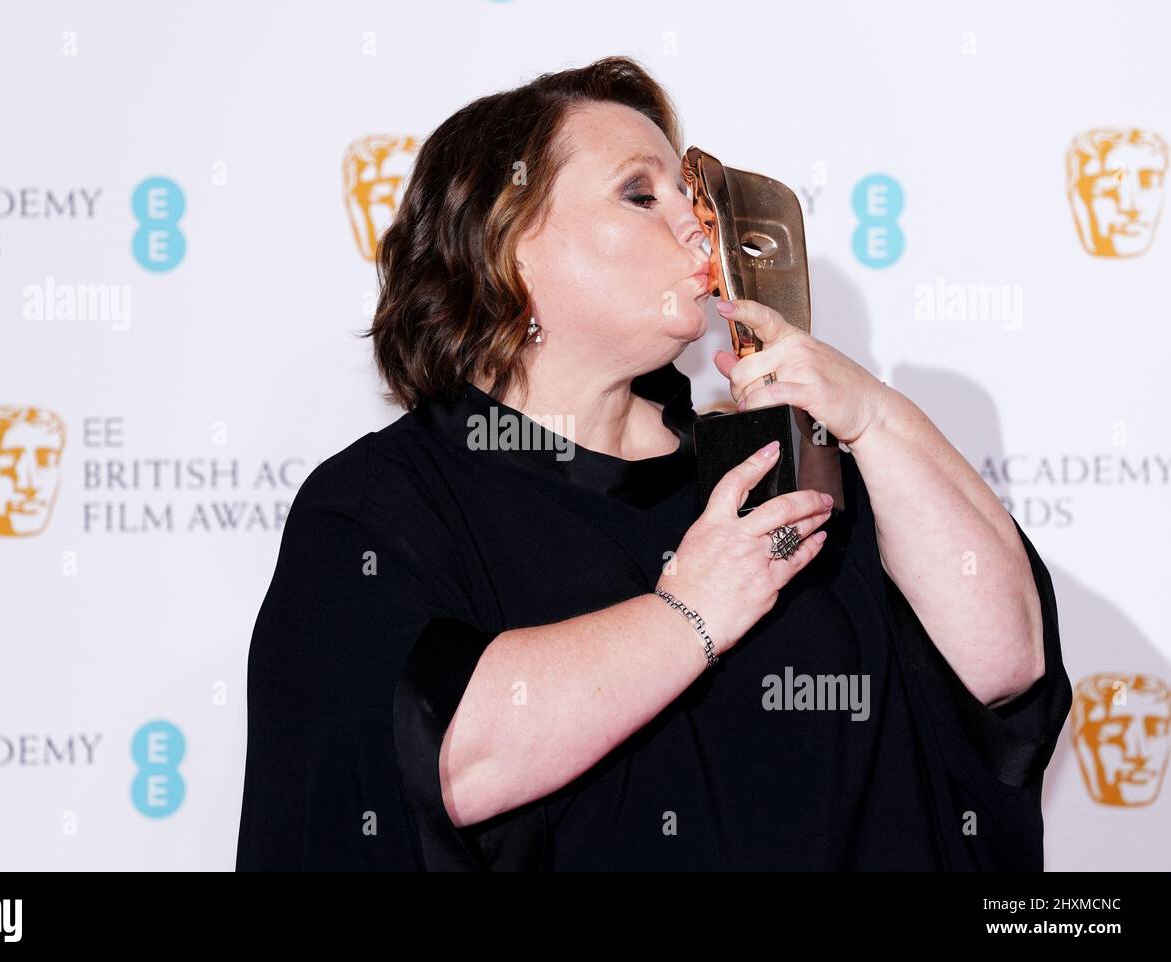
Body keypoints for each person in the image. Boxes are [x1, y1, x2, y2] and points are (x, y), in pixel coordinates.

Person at [234, 56, 1072, 871]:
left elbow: (1006, 669)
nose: (695, 220)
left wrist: (876, 417)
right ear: (505, 242)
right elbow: (436, 761)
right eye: (640, 193)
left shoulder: (791, 459)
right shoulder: (384, 504)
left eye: (690, 193)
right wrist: (692, 613)